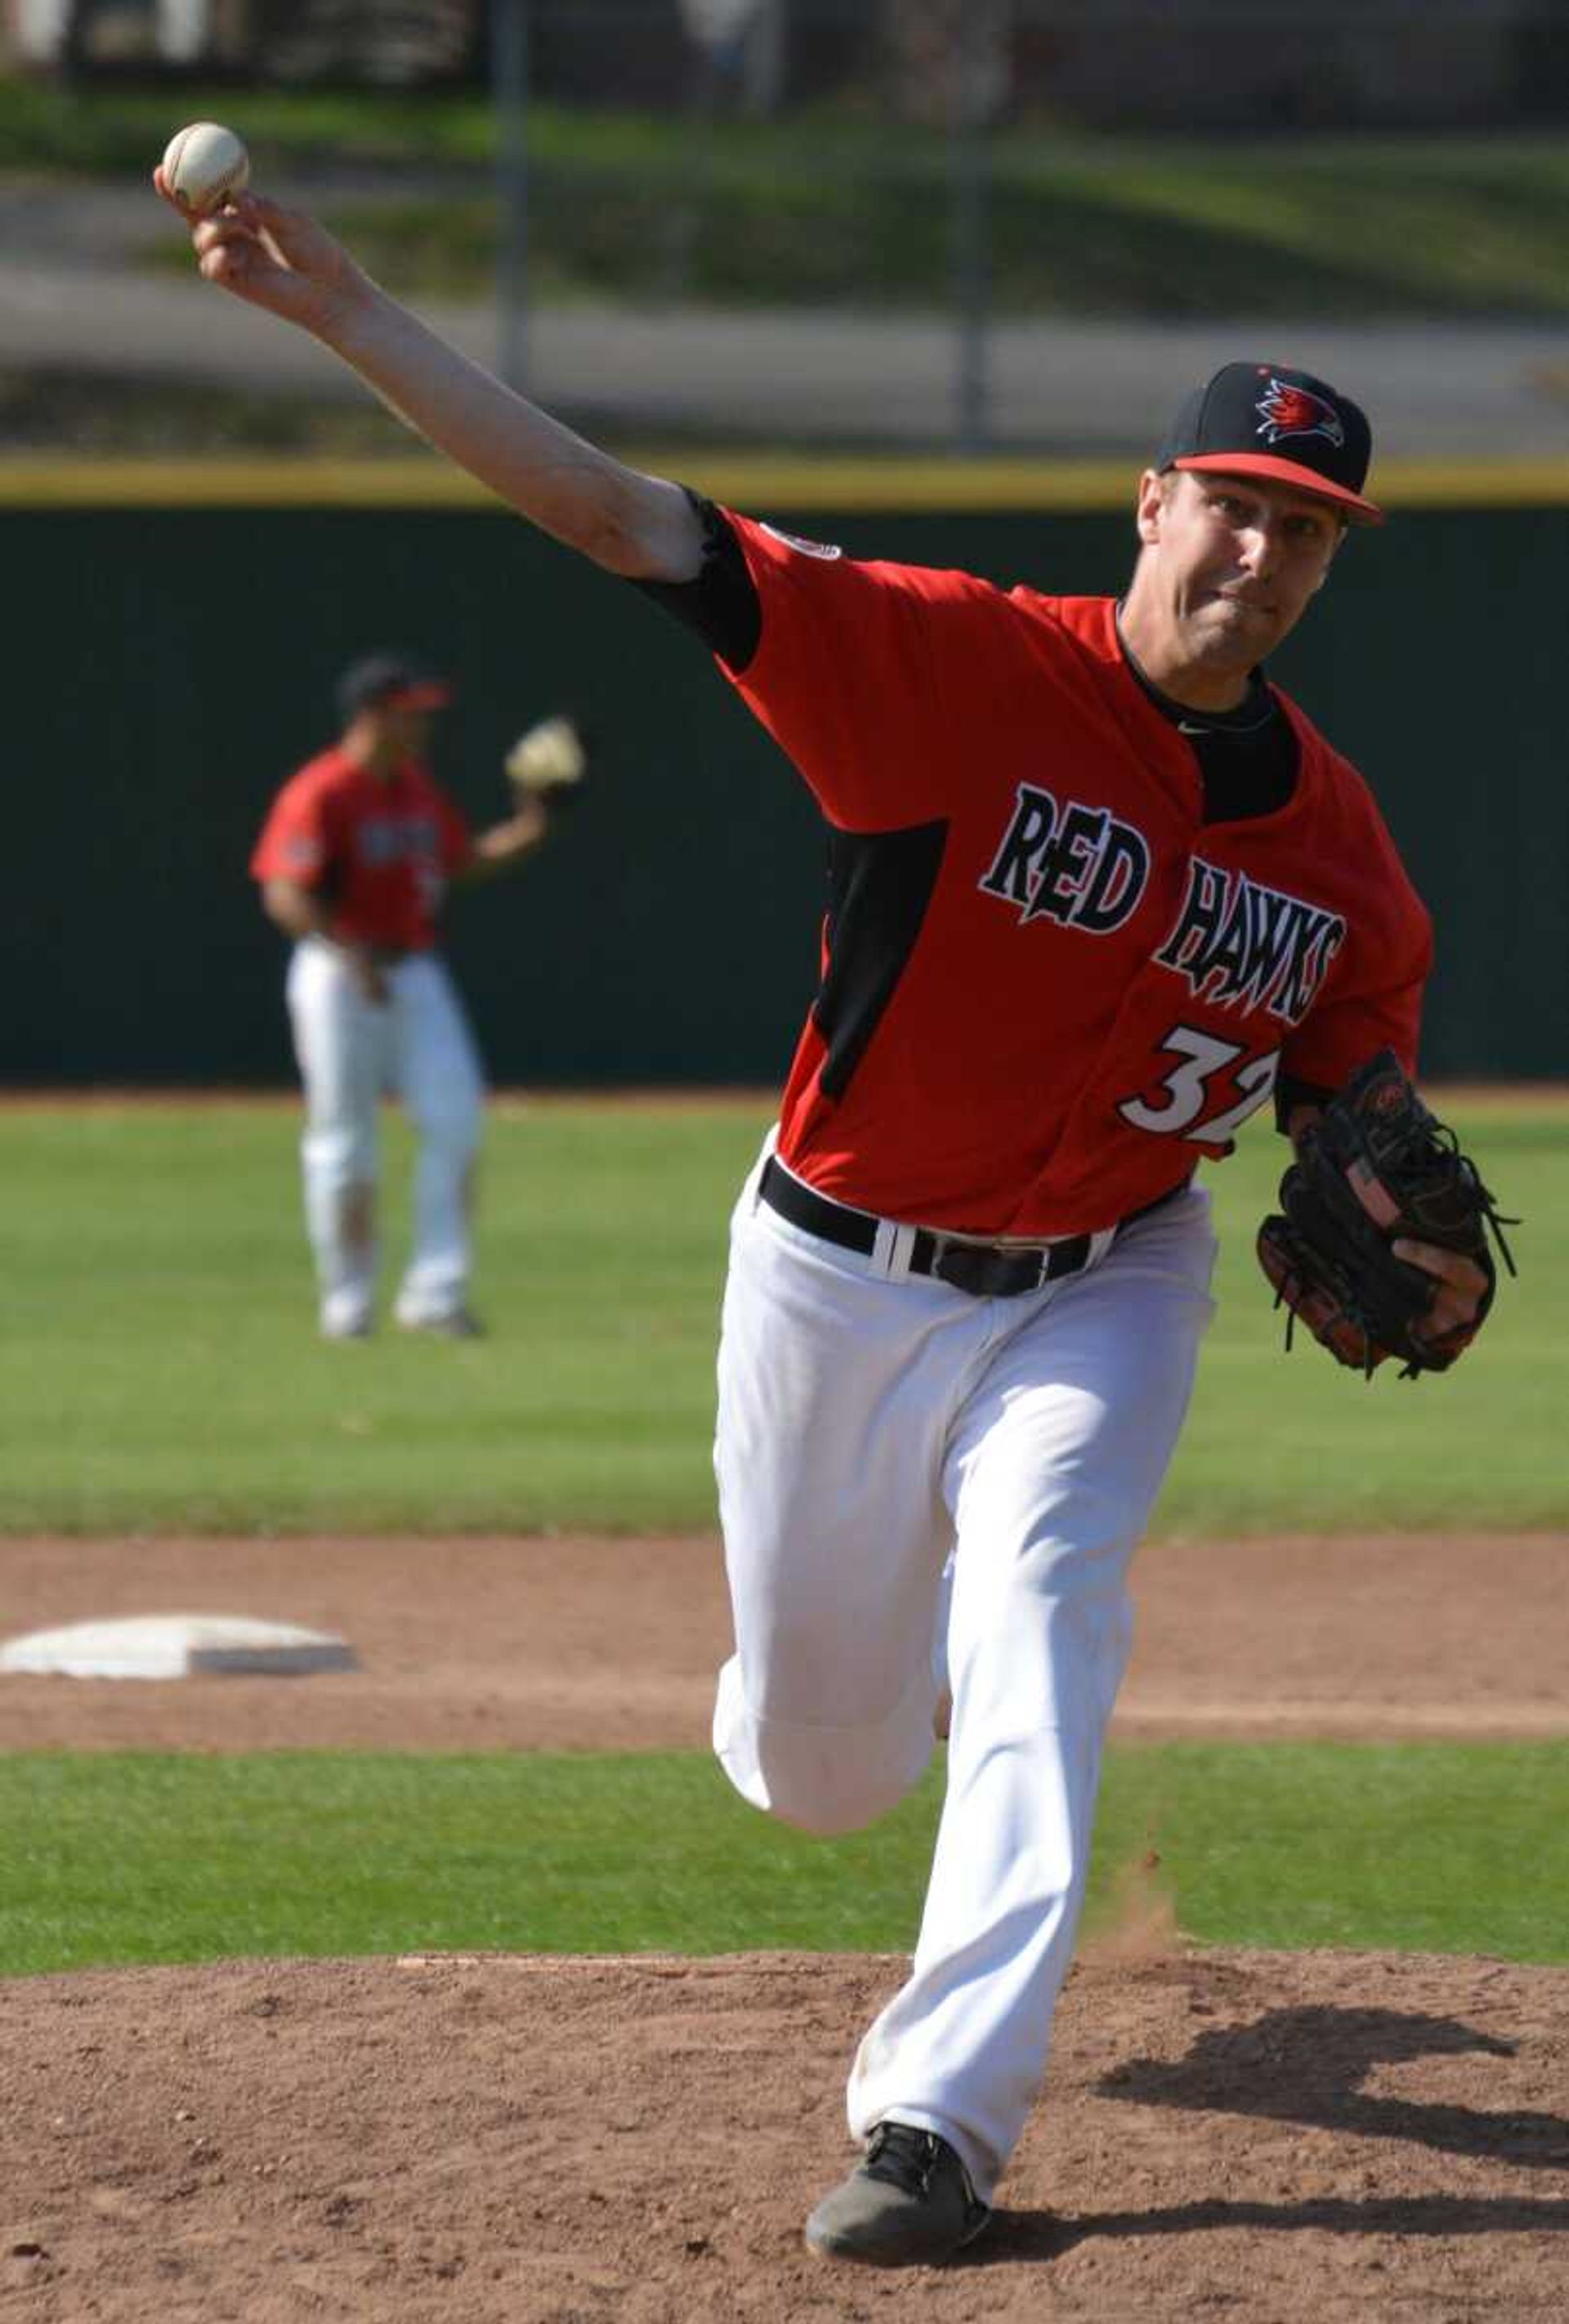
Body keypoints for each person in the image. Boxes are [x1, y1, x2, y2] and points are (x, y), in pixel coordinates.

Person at [160, 173, 1489, 2264]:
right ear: (1151, 503)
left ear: (1328, 561)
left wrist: (1396, 1215)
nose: (1259, 549)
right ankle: (866, 1681)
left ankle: (936, 2126)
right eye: (1231, 502)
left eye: (1304, 526)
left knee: (1049, 1604)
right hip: (835, 1267)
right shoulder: (947, 668)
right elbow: (629, 524)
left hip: (1110, 1282)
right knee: (811, 1770)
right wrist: (352, 317)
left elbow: (1357, 1089)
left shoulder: (1341, 854)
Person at [252, 650, 557, 1340]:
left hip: (414, 968)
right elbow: (283, 892)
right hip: (338, 974)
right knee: (344, 1142)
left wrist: (532, 826)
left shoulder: (416, 789)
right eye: (409, 711)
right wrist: (344, 950)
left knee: (454, 1122)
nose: (423, 724)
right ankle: (348, 1300)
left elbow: (462, 862)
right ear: (371, 715)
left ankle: (435, 1294)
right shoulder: (322, 791)